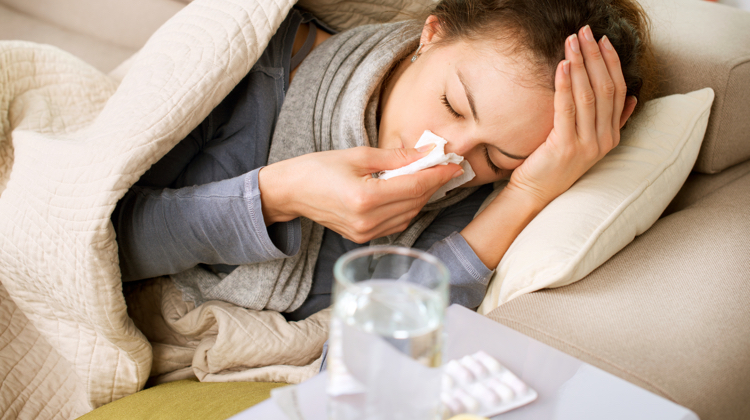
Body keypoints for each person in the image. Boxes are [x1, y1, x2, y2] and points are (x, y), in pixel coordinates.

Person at [112, 0, 657, 320]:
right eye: (453, 105)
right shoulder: (247, 60)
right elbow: (97, 241)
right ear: (432, 32)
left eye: (497, 155)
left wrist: (525, 194)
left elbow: (380, 349)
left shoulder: (473, 193)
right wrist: (278, 195)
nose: (445, 156)